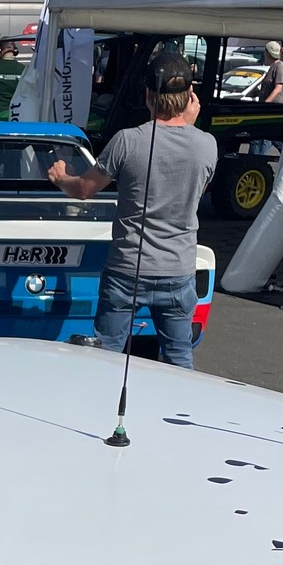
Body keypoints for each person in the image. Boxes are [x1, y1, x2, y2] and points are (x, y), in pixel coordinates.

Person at [46, 51, 216, 369]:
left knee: (108, 354)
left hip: (128, 269)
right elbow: (194, 191)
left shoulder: (127, 141)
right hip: (178, 269)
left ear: (149, 94)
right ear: (190, 95)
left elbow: (83, 189)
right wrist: (188, 126)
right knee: (179, 355)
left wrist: (60, 177)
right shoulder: (207, 144)